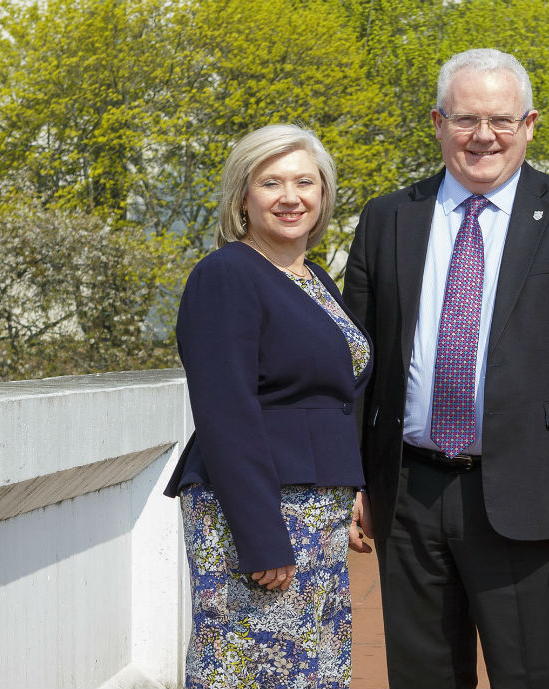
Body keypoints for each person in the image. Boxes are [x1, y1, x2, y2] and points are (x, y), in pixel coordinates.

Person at [342, 48, 549, 689]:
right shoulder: (387, 218)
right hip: (409, 491)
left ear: (530, 125)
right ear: (437, 122)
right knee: (422, 675)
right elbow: (355, 363)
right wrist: (351, 477)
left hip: (532, 493)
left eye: (502, 120)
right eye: (466, 119)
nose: (484, 136)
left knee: (537, 674)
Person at [161, 124, 372, 689]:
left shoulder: (314, 278)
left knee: (314, 667)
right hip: (258, 511)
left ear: (323, 195)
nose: (290, 196)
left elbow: (326, 402)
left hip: (315, 507)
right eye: (270, 182)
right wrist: (261, 536)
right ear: (242, 197)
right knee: (253, 668)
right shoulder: (226, 274)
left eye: (305, 181)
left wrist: (348, 486)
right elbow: (225, 413)